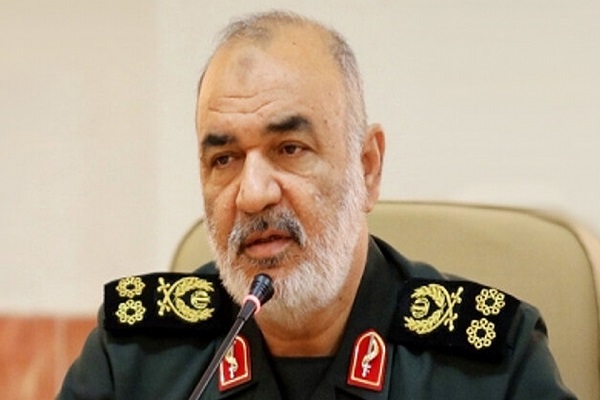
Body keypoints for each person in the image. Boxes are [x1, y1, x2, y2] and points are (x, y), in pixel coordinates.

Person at [57, 10, 576, 400]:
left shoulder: (489, 365)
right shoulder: (133, 359)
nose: (253, 193)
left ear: (367, 167)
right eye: (224, 159)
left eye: (290, 149)